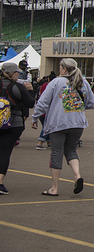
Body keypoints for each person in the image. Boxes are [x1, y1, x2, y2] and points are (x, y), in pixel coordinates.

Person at [31, 58, 94, 196]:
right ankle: (77, 175)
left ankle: (54, 188)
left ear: (64, 69)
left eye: (60, 67)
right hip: (77, 123)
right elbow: (91, 102)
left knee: (56, 153)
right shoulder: (84, 82)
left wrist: (35, 117)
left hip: (58, 123)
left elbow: (43, 102)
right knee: (71, 150)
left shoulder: (56, 82)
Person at [0, 62, 36, 194]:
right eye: (16, 72)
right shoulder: (17, 87)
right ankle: (0, 182)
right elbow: (30, 103)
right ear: (12, 73)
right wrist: (31, 90)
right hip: (13, 123)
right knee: (4, 152)